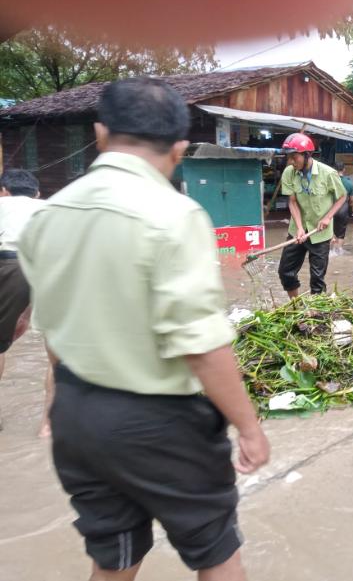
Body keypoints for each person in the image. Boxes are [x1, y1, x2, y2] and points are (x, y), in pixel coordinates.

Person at [17, 77, 270, 579]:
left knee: (114, 556)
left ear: (100, 134)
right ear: (179, 149)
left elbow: (51, 336)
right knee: (216, 549)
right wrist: (249, 427)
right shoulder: (175, 215)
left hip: (77, 420)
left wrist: (63, 407)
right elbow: (201, 346)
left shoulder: (48, 215)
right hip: (160, 423)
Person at [0, 169, 54, 436]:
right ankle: (47, 425)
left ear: (3, 191)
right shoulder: (50, 208)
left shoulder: (2, 205)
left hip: (7, 265)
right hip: (48, 268)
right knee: (56, 350)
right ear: (37, 193)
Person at [278, 132, 347, 297]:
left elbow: (342, 196)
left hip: (320, 233)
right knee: (285, 272)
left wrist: (328, 217)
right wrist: (299, 228)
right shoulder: (288, 172)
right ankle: (296, 306)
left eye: (294, 157)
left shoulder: (328, 173)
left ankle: (316, 310)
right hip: (298, 230)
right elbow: (292, 202)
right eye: (289, 158)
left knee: (317, 279)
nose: (291, 162)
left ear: (307, 155)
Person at [331, 162, 353, 256]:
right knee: (341, 233)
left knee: (331, 231)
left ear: (333, 170)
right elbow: (351, 201)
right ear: (344, 170)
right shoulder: (349, 183)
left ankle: (331, 251)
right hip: (343, 210)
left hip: (330, 210)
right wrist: (351, 211)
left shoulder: (331, 181)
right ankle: (339, 251)